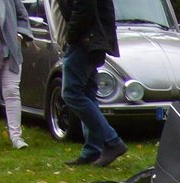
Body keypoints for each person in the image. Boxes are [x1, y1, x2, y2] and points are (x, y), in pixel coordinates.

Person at [54, 0, 127, 166]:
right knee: (87, 93)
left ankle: (112, 141)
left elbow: (84, 8)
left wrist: (71, 37)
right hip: (91, 41)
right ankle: (93, 150)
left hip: (85, 41)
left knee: (71, 94)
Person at [0, 0, 33, 148]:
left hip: (10, 49)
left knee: (12, 90)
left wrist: (19, 35)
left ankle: (16, 137)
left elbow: (22, 15)